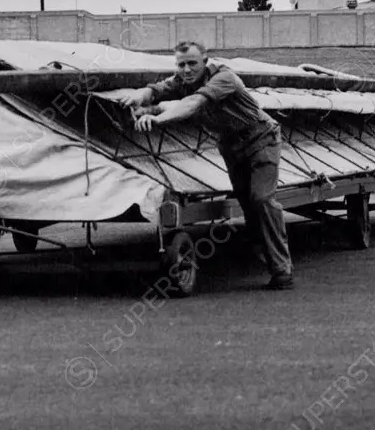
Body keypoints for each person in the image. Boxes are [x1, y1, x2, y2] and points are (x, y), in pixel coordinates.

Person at [110, 41, 294, 290]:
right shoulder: (182, 80)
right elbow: (157, 90)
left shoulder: (224, 77)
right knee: (248, 202)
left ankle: (282, 270)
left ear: (205, 62)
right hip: (231, 146)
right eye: (181, 64)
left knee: (262, 199)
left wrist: (156, 119)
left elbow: (193, 104)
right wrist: (137, 97)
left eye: (192, 64)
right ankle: (259, 247)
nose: (186, 70)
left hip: (261, 140)